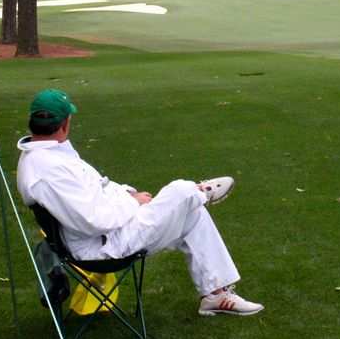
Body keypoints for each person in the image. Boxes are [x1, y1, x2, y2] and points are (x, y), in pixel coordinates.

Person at [16, 89, 264, 317]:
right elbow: (93, 221)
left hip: (108, 234)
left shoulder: (49, 155)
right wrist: (133, 203)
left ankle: (216, 295)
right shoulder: (47, 169)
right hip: (102, 248)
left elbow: (98, 188)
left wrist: (129, 195)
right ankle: (200, 191)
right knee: (180, 191)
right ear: (65, 123)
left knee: (193, 213)